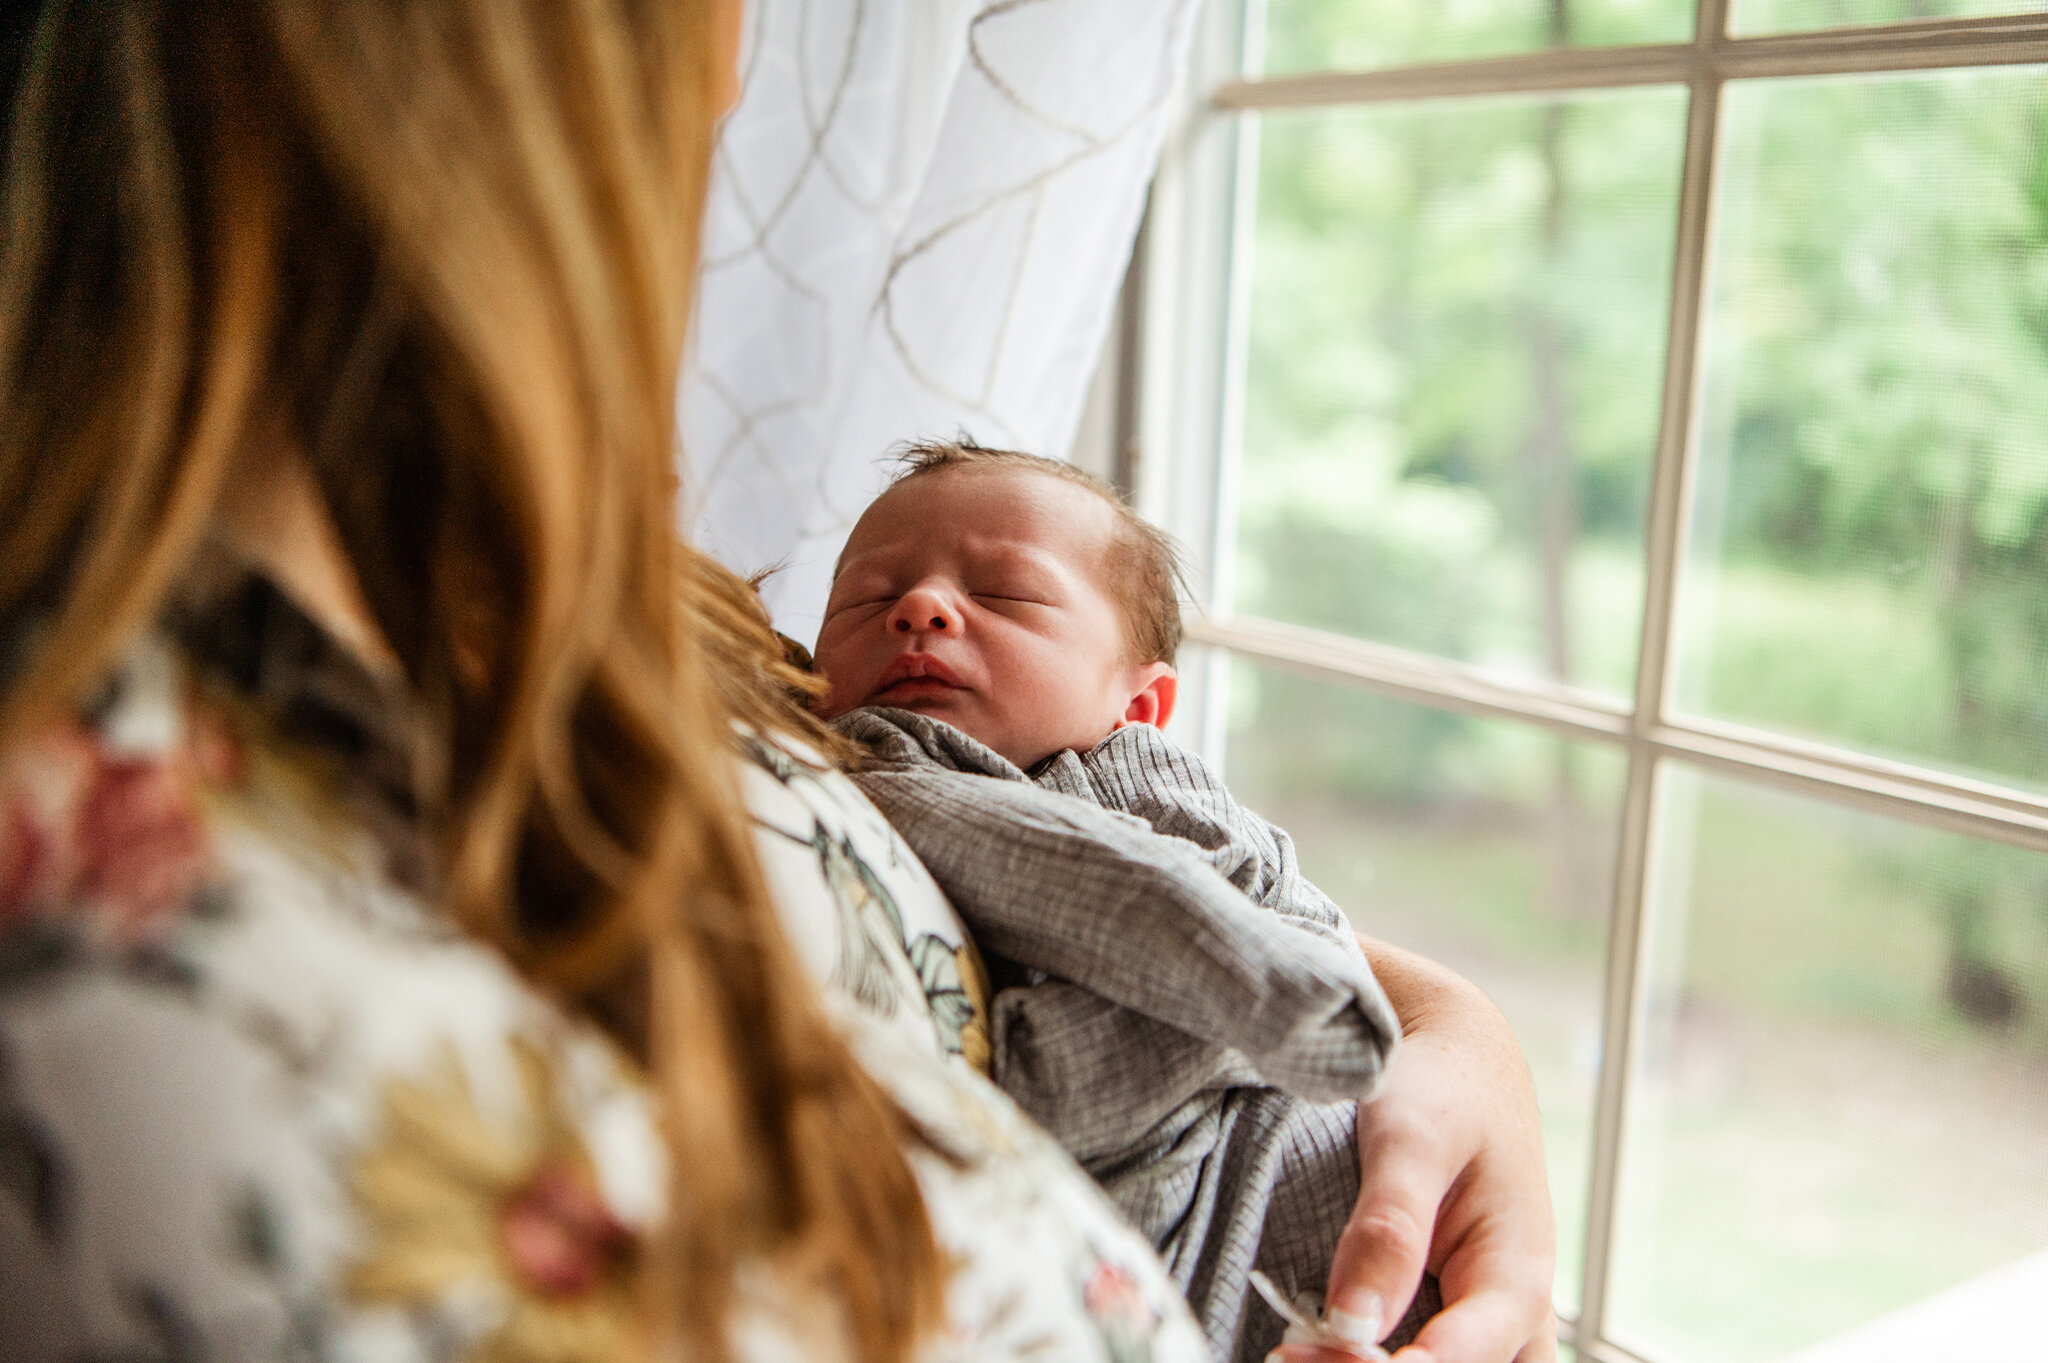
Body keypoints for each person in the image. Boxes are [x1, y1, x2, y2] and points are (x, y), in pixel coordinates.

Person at [0, 4, 1558, 1363]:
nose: (738, 75)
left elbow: (1185, 894)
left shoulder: (626, 615)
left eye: (1002, 591)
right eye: (877, 589)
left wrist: (1452, 1025)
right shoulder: (148, 943)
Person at [813, 442, 1410, 1360]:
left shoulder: (1139, 781)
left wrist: (1040, 1072)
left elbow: (1266, 936)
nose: (918, 609)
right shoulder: (861, 781)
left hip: (1302, 1199)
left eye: (1005, 593)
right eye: (864, 597)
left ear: (1137, 705)